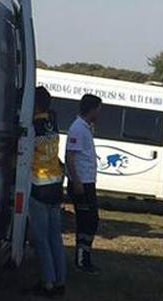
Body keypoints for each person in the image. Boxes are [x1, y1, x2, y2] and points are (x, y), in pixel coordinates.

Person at [29, 87, 66, 297]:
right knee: (55, 238)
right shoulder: (53, 124)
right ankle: (61, 281)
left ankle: (48, 283)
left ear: (34, 105)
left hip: (39, 186)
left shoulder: (33, 128)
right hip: (56, 185)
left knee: (41, 239)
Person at [65, 94, 102, 274]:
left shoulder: (86, 128)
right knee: (86, 220)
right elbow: (70, 156)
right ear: (92, 109)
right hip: (81, 183)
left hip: (88, 181)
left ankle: (85, 256)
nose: (99, 113)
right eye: (98, 109)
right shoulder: (78, 128)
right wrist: (76, 180)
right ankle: (81, 259)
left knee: (91, 220)